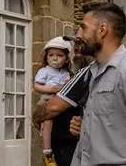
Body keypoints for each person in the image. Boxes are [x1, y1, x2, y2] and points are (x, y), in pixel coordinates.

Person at [68, 2, 126, 166]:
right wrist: (87, 127)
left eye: (84, 28)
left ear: (102, 30)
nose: (78, 35)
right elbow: (115, 123)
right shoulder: (94, 70)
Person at [32, 31, 94, 166]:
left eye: (81, 42)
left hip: (74, 144)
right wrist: (40, 115)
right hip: (59, 144)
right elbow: (45, 108)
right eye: (75, 43)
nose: (77, 47)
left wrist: (42, 114)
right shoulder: (71, 73)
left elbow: (54, 107)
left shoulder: (90, 73)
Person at [35, 37, 73, 166]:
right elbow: (37, 86)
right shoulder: (44, 71)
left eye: (59, 55)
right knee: (48, 120)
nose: (55, 58)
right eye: (51, 55)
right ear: (46, 57)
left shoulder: (66, 73)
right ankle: (47, 151)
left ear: (66, 59)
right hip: (47, 99)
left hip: (61, 101)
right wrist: (51, 89)